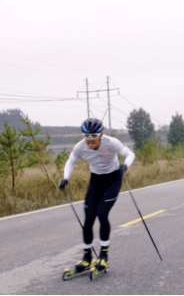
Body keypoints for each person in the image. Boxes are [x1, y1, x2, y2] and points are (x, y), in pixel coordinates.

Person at [58, 117, 135, 273]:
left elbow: (130, 154)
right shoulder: (80, 146)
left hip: (113, 179)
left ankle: (103, 255)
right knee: (88, 219)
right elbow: (71, 161)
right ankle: (87, 257)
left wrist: (124, 167)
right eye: (87, 136)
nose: (90, 139)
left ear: (100, 134)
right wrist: (65, 177)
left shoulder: (111, 142)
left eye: (93, 135)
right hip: (96, 181)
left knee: (102, 213)